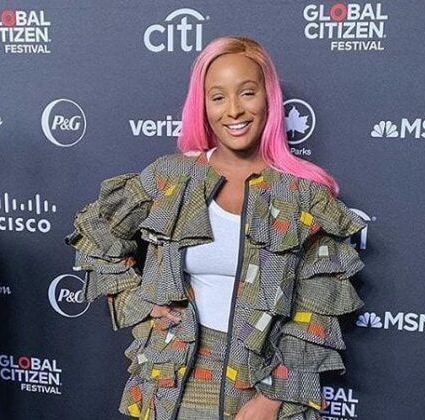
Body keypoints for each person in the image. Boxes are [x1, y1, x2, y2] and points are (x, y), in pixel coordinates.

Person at [66, 36, 366, 420]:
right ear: (203, 105)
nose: (234, 110)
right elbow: (96, 232)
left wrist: (272, 398)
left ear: (268, 99)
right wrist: (138, 301)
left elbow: (316, 308)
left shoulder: (304, 195)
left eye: (247, 93)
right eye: (218, 97)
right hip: (173, 377)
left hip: (262, 380)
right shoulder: (173, 176)